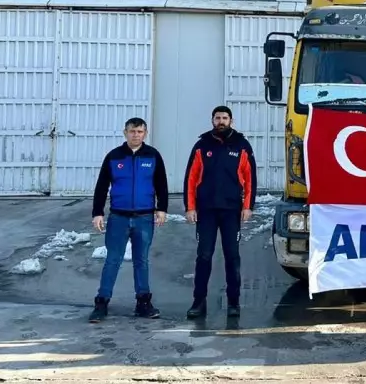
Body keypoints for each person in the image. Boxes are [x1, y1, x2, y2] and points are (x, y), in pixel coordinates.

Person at [89, 117, 168, 323]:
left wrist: (162, 209)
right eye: (132, 131)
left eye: (140, 131)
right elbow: (101, 186)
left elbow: (161, 184)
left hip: (144, 217)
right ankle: (101, 302)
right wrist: (98, 212)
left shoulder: (153, 156)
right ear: (125, 133)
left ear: (146, 133)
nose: (136, 135)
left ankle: (143, 302)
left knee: (141, 260)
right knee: (112, 260)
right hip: (119, 217)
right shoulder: (114, 157)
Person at [183, 105, 257, 319]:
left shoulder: (242, 146)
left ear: (231, 121)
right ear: (212, 120)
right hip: (206, 211)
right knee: (204, 256)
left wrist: (248, 206)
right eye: (217, 118)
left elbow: (250, 178)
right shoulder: (201, 145)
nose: (221, 121)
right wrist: (190, 207)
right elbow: (191, 178)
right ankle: (199, 302)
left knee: (232, 256)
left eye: (225, 118)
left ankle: (234, 302)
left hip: (231, 211)